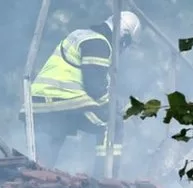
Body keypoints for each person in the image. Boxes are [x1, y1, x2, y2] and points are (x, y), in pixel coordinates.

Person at [26, 11, 141, 170]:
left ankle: (36, 178)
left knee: (44, 162)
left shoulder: (82, 35)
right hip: (63, 102)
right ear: (123, 36)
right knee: (112, 122)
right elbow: (95, 88)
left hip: (39, 103)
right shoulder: (99, 44)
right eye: (127, 43)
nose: (124, 49)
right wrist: (117, 108)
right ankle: (105, 178)